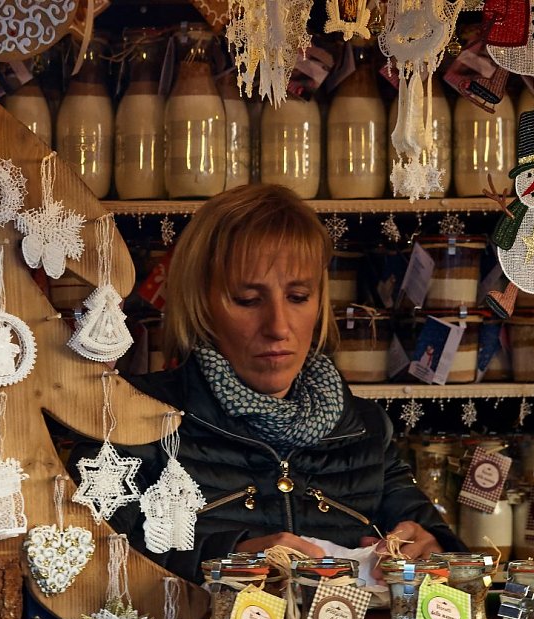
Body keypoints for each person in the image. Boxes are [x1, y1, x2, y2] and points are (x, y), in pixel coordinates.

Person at [94, 184, 461, 583]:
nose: (279, 327)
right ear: (201, 303)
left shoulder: (364, 428)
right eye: (249, 300)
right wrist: (227, 559)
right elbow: (90, 563)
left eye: (299, 296)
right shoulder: (132, 417)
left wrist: (433, 551)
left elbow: (443, 556)